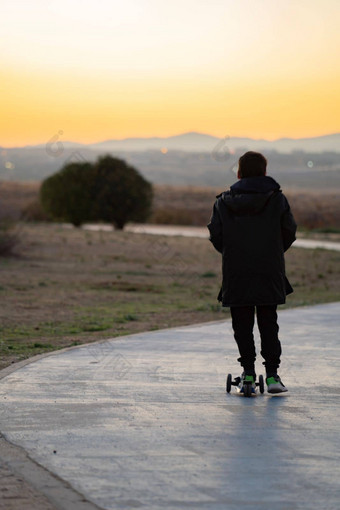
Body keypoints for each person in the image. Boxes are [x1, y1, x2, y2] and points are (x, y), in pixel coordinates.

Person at [207, 151, 297, 394]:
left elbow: (216, 236)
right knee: (269, 322)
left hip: (236, 270)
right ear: (264, 173)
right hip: (269, 269)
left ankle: (247, 375)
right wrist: (273, 251)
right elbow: (289, 232)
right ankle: (272, 377)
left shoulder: (223, 202)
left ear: (239, 173)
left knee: (242, 324)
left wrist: (234, 253)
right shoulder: (277, 200)